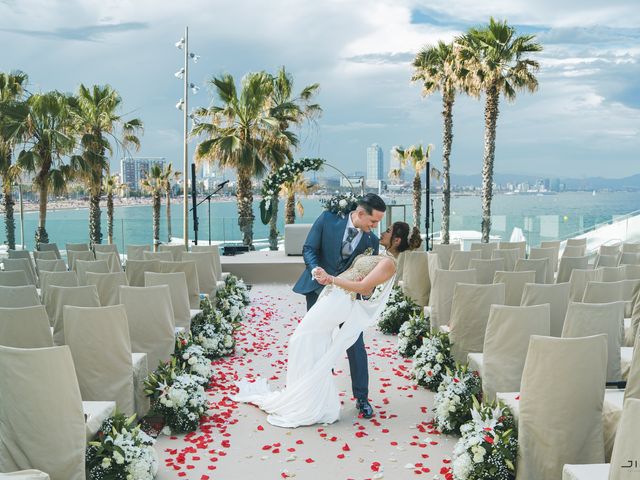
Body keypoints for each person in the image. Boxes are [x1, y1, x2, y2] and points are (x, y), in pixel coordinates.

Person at [233, 220, 420, 428]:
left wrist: (331, 279)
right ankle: (316, 401)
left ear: (397, 240)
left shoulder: (389, 264)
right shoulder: (382, 256)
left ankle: (306, 400)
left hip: (341, 300)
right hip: (333, 296)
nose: (382, 232)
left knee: (300, 340)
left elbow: (364, 288)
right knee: (312, 344)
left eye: (388, 231)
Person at [293, 193, 386, 418]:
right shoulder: (327, 219)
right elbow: (309, 248)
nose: (376, 226)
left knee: (355, 343)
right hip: (317, 290)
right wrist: (315, 270)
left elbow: (367, 273)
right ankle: (313, 393)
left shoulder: (371, 241)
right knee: (317, 341)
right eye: (373, 221)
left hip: (347, 297)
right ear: (360, 213)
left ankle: (362, 398)